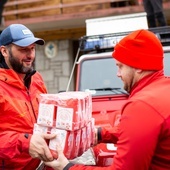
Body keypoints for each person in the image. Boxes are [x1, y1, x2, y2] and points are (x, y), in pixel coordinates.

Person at [44, 29, 170, 170]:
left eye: (120, 66)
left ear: (138, 66)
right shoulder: (164, 90)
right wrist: (100, 134)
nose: (117, 74)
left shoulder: (142, 105)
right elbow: (145, 134)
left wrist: (68, 167)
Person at [0, 24, 55, 169]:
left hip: (43, 164)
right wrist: (24, 142)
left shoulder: (36, 78)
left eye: (32, 48)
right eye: (23, 49)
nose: (30, 55)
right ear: (4, 51)